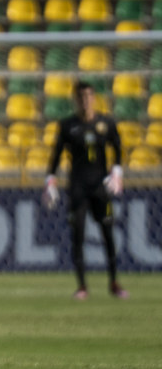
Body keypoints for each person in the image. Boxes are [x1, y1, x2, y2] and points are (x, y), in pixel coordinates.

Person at [43, 81, 127, 300]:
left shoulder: (105, 123)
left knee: (108, 233)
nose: (85, 100)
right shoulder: (67, 125)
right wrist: (50, 181)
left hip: (100, 187)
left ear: (94, 98)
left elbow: (118, 147)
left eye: (88, 96)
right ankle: (82, 286)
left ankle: (114, 282)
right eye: (81, 97)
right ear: (75, 100)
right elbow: (56, 155)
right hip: (77, 187)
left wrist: (117, 172)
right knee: (78, 235)